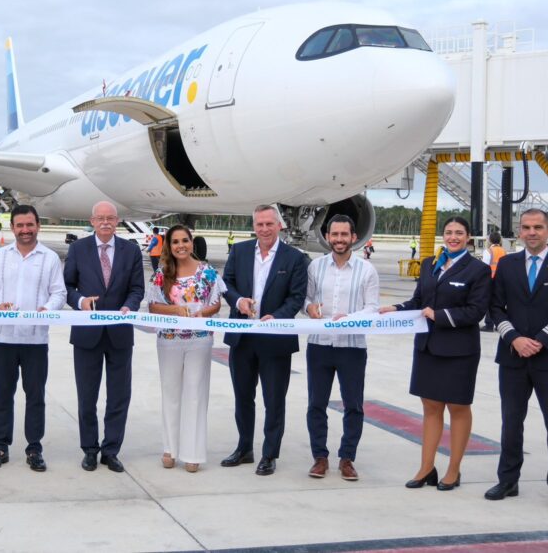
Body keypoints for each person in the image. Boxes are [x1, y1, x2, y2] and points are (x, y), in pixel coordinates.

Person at [380, 216, 490, 492]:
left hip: (458, 350)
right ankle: (426, 467)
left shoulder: (478, 270)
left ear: (468, 237)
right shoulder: (431, 264)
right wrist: (396, 308)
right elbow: (420, 301)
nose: (453, 237)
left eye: (459, 233)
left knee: (458, 407)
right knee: (430, 407)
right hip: (428, 346)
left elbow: (476, 312)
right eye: (449, 232)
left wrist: (439, 315)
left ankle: (453, 470)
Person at [485, 209, 548, 514]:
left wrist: (541, 340)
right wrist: (514, 338)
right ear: (519, 231)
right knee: (511, 423)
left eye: (538, 227)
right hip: (513, 357)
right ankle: (508, 480)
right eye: (526, 227)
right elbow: (494, 308)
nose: (531, 232)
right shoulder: (508, 264)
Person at [220, 204, 308, 476]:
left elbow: (297, 296)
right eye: (260, 224)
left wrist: (277, 316)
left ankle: (270, 454)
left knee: (274, 399)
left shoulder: (295, 257)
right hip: (243, 336)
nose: (264, 229)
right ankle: (245, 448)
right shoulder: (240, 250)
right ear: (254, 226)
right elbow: (227, 284)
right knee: (243, 397)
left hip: (275, 339)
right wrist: (238, 301)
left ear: (279, 226)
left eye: (269, 224)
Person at [0, 204, 66, 472]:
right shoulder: (0, 256)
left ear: (38, 226)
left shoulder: (50, 258)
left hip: (35, 340)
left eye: (30, 225)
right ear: (13, 227)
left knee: (35, 395)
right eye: (20, 225)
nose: (25, 230)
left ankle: (34, 448)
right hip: (5, 338)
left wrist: (48, 309)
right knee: (3, 395)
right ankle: (0, 446)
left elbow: (59, 293)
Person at [65, 201, 145, 473]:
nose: (105, 222)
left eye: (110, 218)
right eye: (100, 218)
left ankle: (111, 450)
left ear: (117, 221)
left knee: (119, 396)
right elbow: (67, 286)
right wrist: (79, 301)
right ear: (92, 221)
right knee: (87, 396)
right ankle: (89, 449)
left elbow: (137, 288)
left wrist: (129, 307)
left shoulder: (131, 251)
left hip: (120, 333)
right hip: (87, 334)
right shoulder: (78, 249)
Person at [304, 215, 379, 481]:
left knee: (354, 405)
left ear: (353, 237)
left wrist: (349, 319)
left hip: (352, 346)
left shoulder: (366, 271)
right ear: (327, 236)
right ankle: (320, 457)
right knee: (316, 404)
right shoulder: (315, 267)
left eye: (343, 235)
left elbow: (372, 309)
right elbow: (308, 299)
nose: (338, 240)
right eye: (334, 235)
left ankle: (347, 458)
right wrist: (309, 307)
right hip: (320, 345)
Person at [147, 225, 225, 472]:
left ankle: (193, 453)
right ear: (169, 246)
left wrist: (199, 312)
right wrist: (176, 310)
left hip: (199, 340)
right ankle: (170, 448)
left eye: (185, 241)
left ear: (192, 243)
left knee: (195, 394)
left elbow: (216, 305)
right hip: (169, 340)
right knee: (171, 394)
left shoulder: (208, 272)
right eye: (175, 242)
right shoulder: (162, 273)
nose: (180, 245)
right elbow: (152, 306)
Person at [480, 231, 507, 332]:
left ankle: (489, 324)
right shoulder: (503, 251)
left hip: (491, 279)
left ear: (489, 240)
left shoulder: (488, 251)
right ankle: (499, 325)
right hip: (502, 279)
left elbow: (485, 266)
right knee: (499, 303)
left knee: (489, 303)